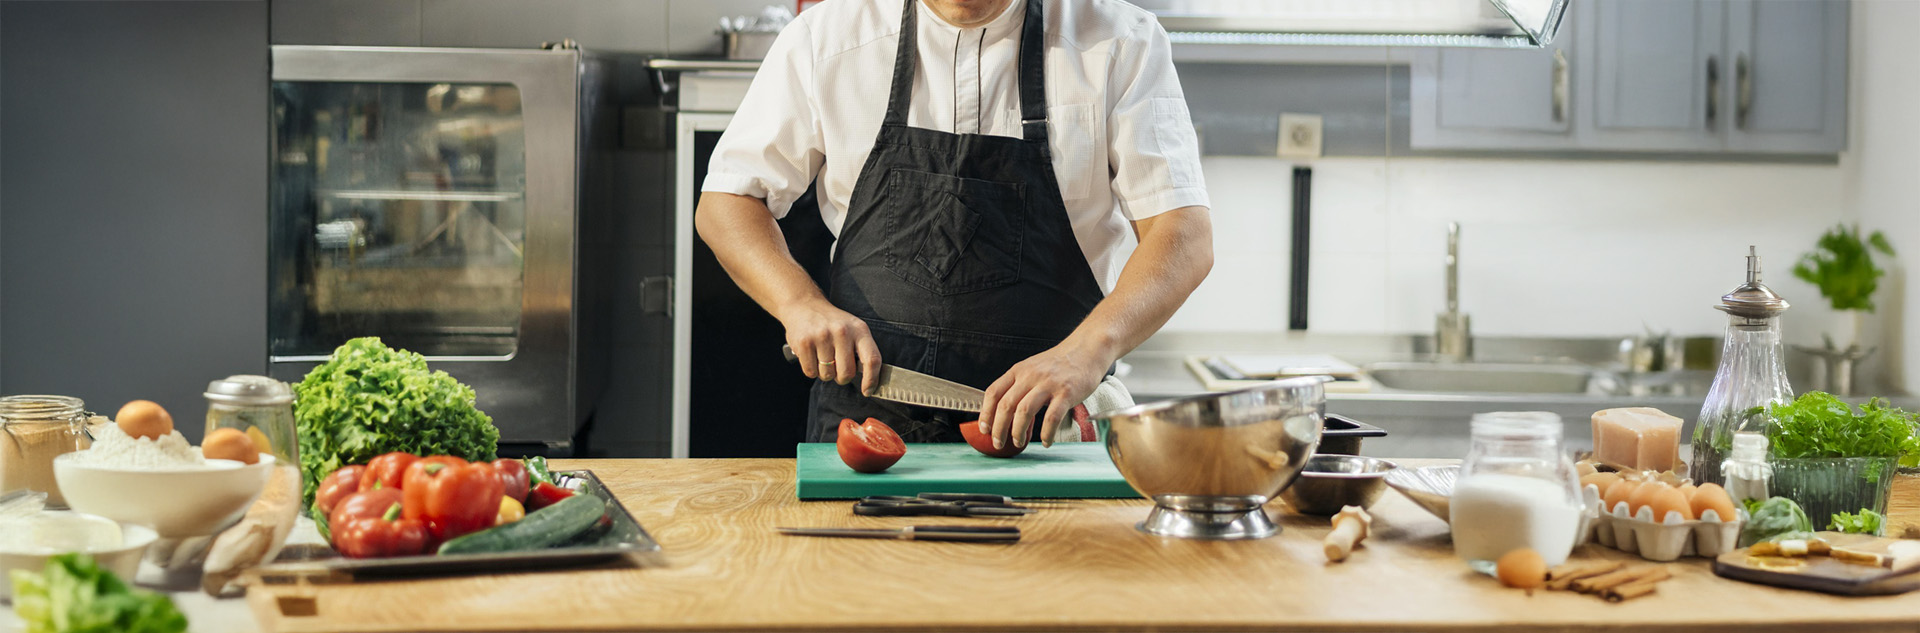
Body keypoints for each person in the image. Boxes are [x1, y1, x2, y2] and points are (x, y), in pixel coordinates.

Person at [696, 0, 1211, 451]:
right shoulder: (825, 39)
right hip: (870, 419)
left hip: (1048, 430)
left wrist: (1086, 353)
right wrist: (799, 304)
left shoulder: (1121, 41)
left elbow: (1183, 234)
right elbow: (728, 200)